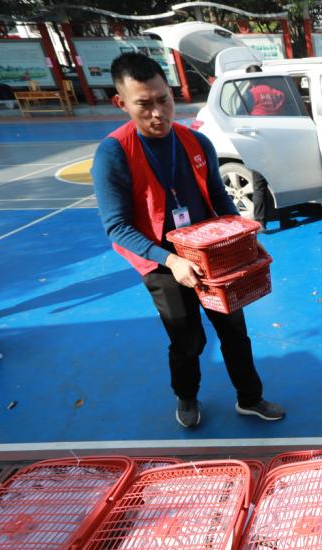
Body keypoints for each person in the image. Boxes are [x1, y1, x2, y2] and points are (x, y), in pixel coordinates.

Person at [91, 52, 284, 428]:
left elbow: (220, 200)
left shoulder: (196, 142)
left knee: (234, 330)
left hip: (211, 255)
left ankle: (250, 397)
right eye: (144, 104)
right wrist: (172, 261)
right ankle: (187, 396)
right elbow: (117, 227)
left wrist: (242, 239)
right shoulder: (113, 154)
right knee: (187, 339)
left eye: (163, 99)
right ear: (121, 103)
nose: (158, 113)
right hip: (161, 260)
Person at [245, 65, 286, 226]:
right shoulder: (279, 93)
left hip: (258, 142)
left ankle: (261, 222)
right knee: (280, 183)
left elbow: (240, 115)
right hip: (276, 141)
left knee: (259, 185)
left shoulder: (250, 94)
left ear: (249, 80)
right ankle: (285, 219)